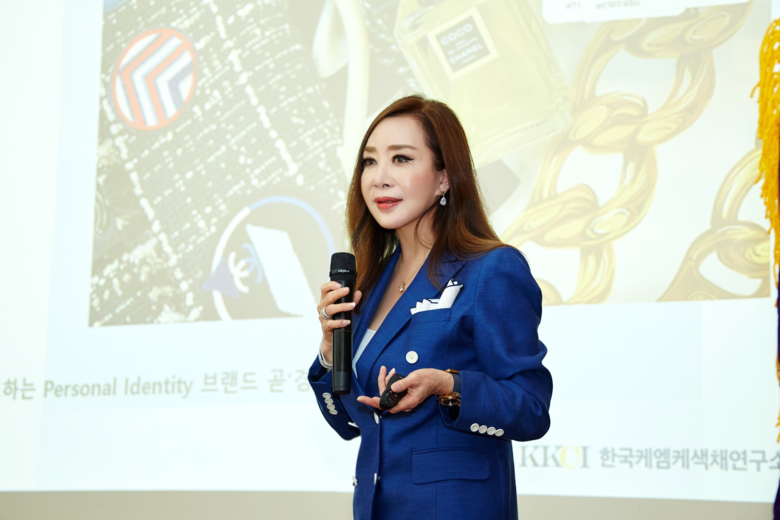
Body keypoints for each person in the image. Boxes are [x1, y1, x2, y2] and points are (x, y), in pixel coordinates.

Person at [308, 95, 553, 520]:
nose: (379, 178)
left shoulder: (491, 269)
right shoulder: (370, 282)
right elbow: (350, 424)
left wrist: (448, 385)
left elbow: (531, 410)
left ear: (444, 178)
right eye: (369, 162)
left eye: (401, 159)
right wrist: (331, 353)